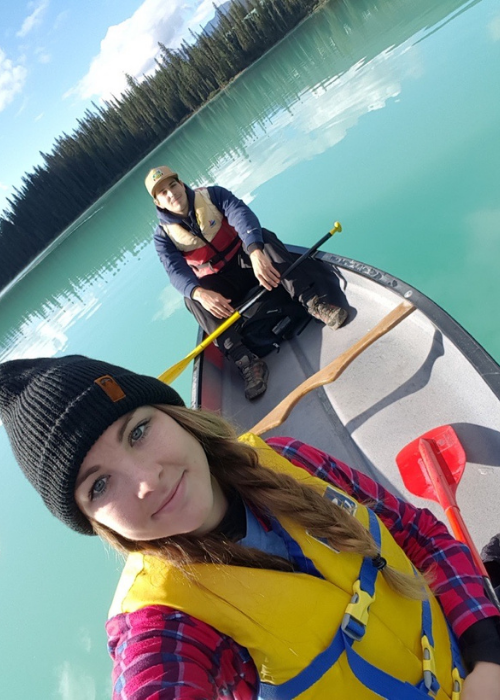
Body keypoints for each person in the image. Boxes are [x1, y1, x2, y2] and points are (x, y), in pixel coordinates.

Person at [1, 354, 500, 700]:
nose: (146, 482)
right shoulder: (165, 622)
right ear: (92, 522)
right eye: (99, 485)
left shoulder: (285, 459)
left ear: (174, 416)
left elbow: (417, 534)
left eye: (138, 431)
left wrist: (487, 656)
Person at [145, 165, 348, 400]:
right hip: (222, 286)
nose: (171, 193)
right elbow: (175, 272)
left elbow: (242, 215)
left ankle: (313, 302)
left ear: (181, 184)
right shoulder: (163, 237)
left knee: (265, 238)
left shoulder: (213, 195)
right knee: (192, 299)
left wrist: (254, 250)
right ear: (158, 203)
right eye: (163, 193)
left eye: (172, 185)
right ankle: (247, 360)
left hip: (247, 263)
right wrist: (199, 292)